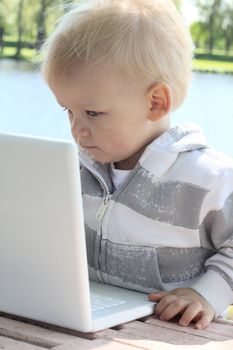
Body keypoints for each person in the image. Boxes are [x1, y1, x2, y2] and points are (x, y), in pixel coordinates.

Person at [40, 0, 233, 330]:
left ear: (155, 103)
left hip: (173, 332)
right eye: (67, 110)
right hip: (91, 324)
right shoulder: (74, 170)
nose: (76, 128)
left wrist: (206, 295)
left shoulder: (208, 179)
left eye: (93, 113)